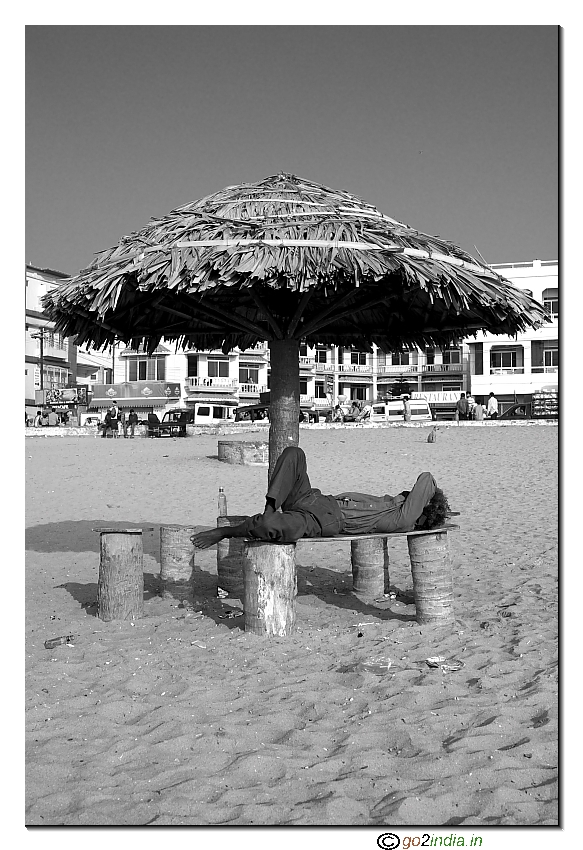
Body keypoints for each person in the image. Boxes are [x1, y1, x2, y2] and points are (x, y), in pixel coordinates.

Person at [192, 446, 450, 549]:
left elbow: (426, 479)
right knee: (294, 454)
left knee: (272, 527)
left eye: (418, 502)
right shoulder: (399, 508)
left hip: (321, 521)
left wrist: (431, 500)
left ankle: (226, 532)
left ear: (421, 510)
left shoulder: (404, 519)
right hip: (315, 499)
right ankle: (270, 507)